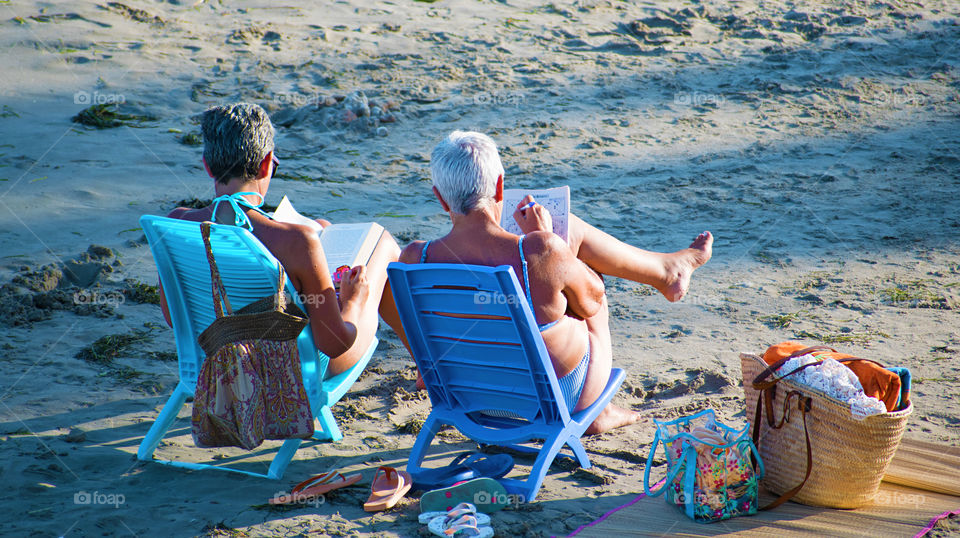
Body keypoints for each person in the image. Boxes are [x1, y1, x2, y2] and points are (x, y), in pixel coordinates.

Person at [398, 130, 713, 434]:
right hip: (551, 400)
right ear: (499, 188)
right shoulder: (538, 250)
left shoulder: (414, 259)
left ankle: (667, 272)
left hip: (468, 398)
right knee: (584, 284)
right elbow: (592, 300)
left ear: (440, 198)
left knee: (553, 280)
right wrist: (550, 241)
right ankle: (598, 410)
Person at [158, 103, 406, 377]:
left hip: (216, 364)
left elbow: (174, 317)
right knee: (383, 244)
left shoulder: (176, 224)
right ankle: (428, 368)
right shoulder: (297, 242)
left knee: (321, 227)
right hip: (294, 373)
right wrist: (353, 301)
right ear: (266, 164)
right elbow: (334, 344)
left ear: (207, 166)